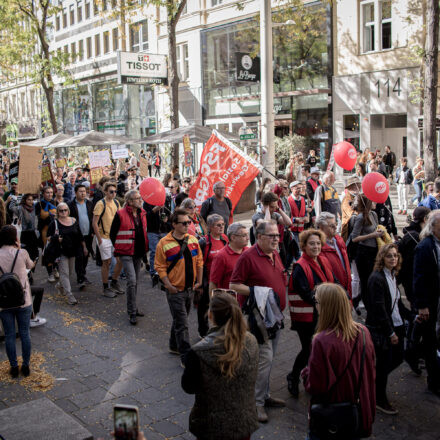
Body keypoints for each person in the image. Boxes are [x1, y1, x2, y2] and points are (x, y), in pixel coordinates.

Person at [230, 220, 287, 423]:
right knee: (265, 359)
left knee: (270, 358)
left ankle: (265, 395)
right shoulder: (248, 256)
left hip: (275, 316)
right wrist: (258, 291)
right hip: (259, 318)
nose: (276, 239)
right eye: (271, 236)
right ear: (260, 236)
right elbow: (234, 285)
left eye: (277, 236)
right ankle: (257, 403)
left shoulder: (275, 252)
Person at [302, 283, 376, 439]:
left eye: (317, 302)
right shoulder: (363, 332)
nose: (316, 306)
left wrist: (305, 373)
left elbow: (315, 385)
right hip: (357, 412)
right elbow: (371, 370)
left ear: (326, 307)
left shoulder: (322, 341)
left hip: (332, 417)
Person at [181, 292, 259, 440]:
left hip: (211, 427)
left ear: (210, 315)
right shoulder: (251, 341)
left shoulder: (198, 352)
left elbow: (188, 387)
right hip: (243, 423)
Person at [287, 229, 334, 398]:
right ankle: (293, 377)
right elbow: (306, 294)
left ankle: (312, 377)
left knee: (317, 349)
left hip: (321, 314)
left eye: (318, 243)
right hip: (306, 318)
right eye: (312, 243)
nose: (316, 246)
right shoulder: (300, 266)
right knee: (308, 349)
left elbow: (333, 282)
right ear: (304, 246)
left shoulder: (323, 261)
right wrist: (328, 298)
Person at [366, 243, 411, 414]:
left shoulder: (393, 275)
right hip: (383, 328)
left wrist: (412, 316)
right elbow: (379, 308)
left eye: (395, 255)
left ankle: (374, 383)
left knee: (398, 357)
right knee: (384, 362)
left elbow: (397, 303)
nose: (393, 258)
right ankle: (379, 397)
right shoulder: (377, 278)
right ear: (382, 258)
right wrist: (390, 332)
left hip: (396, 324)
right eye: (389, 256)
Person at [154, 208, 203, 365]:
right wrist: (169, 286)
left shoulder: (193, 240)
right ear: (174, 224)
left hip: (190, 289)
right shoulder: (164, 243)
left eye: (189, 222)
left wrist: (199, 281)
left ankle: (174, 345)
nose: (187, 225)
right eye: (184, 223)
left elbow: (199, 262)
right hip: (175, 291)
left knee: (180, 319)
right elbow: (159, 267)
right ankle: (186, 357)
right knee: (183, 323)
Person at [0, 225, 35, 378]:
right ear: (15, 238)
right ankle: (26, 365)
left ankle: (14, 366)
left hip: (4, 301)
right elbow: (31, 265)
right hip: (23, 299)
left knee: (9, 335)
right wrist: (19, 248)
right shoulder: (22, 253)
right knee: (25, 333)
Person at [110, 190, 148, 325]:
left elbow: (143, 233)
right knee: (131, 281)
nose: (140, 200)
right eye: (137, 198)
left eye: (140, 198)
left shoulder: (142, 213)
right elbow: (112, 234)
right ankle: (132, 312)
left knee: (135, 282)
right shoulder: (120, 214)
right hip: (126, 252)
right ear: (130, 201)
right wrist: (117, 252)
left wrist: (145, 256)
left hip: (138, 252)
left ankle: (134, 308)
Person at [413, 210, 440, 396]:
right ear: (433, 227)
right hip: (431, 302)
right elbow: (419, 278)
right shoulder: (425, 246)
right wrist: (422, 305)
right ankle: (434, 381)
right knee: (431, 341)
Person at [47, 203, 87, 305]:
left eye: (65, 210)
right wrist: (56, 239)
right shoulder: (54, 223)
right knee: (64, 273)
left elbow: (80, 235)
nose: (63, 212)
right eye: (61, 211)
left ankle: (60, 285)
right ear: (58, 212)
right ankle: (70, 296)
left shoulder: (73, 220)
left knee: (69, 273)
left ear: (68, 211)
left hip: (73, 251)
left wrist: (84, 247)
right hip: (61, 251)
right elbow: (48, 237)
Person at [198, 214, 229, 337]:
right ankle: (203, 332)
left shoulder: (225, 239)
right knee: (204, 308)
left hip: (222, 281)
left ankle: (222, 331)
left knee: (222, 307)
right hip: (207, 281)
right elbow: (198, 263)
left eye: (223, 224)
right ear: (210, 227)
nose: (221, 227)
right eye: (218, 225)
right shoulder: (203, 242)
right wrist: (199, 283)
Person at [92, 181, 124, 298]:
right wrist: (99, 239)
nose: (114, 194)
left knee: (120, 261)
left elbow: (120, 217)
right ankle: (105, 287)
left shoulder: (116, 202)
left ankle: (114, 282)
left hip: (115, 237)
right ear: (105, 192)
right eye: (111, 192)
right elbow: (94, 223)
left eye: (115, 191)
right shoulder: (100, 204)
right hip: (104, 237)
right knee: (107, 263)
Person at [351, 194, 382, 310]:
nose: (375, 203)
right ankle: (365, 303)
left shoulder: (373, 214)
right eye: (373, 201)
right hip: (364, 252)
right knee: (365, 280)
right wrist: (372, 235)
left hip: (374, 250)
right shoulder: (360, 217)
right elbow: (354, 238)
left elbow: (376, 228)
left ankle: (363, 300)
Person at [397, 206, 430, 307]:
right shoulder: (413, 237)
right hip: (412, 283)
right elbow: (411, 265)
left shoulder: (416, 234)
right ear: (425, 219)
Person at [209, 223, 249, 303]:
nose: (248, 238)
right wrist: (214, 305)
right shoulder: (221, 257)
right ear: (233, 237)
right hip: (230, 304)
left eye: (247, 235)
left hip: (248, 302)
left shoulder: (248, 251)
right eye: (244, 235)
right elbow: (213, 283)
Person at [317, 212, 352, 297]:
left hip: (346, 289)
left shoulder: (339, 240)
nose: (336, 227)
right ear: (321, 228)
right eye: (331, 226)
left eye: (335, 224)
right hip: (333, 293)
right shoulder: (318, 248)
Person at [68, 184, 94, 288]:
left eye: (84, 191)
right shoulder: (71, 205)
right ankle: (80, 278)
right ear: (75, 192)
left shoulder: (89, 203)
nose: (83, 193)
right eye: (80, 191)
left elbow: (92, 218)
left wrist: (92, 231)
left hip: (88, 234)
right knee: (80, 255)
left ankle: (82, 273)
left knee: (86, 255)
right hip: (77, 235)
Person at [35, 186, 58, 282]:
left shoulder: (55, 202)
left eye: (51, 192)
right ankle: (50, 273)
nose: (50, 194)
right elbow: (40, 215)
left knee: (56, 250)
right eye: (47, 192)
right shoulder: (38, 204)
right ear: (43, 194)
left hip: (55, 230)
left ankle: (55, 268)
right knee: (47, 251)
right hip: (44, 231)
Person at [341, 176, 361, 241]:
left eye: (359, 185)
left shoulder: (358, 197)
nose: (358, 188)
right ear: (350, 187)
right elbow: (352, 214)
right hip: (348, 231)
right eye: (356, 186)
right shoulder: (347, 199)